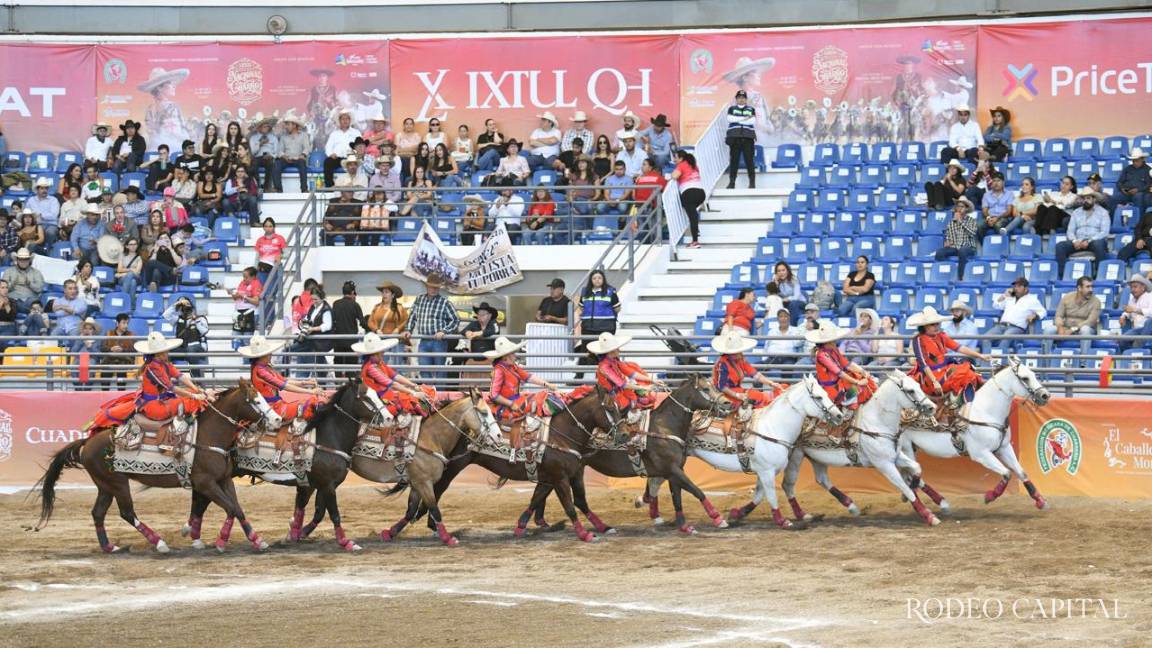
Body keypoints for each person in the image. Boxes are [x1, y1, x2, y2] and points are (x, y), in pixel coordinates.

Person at [906, 306, 989, 405]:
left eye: (938, 324)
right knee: (966, 373)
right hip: (930, 376)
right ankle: (963, 406)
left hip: (945, 370)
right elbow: (923, 363)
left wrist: (980, 356)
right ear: (925, 326)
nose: (936, 327)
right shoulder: (919, 340)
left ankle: (966, 405)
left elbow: (959, 347)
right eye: (933, 324)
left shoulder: (941, 336)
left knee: (970, 374)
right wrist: (934, 381)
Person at [589, 331, 662, 434]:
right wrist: (644, 387)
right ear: (610, 351)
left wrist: (652, 380)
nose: (619, 349)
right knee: (634, 402)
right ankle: (625, 431)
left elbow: (632, 374)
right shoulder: (604, 367)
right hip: (611, 396)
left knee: (645, 399)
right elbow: (623, 384)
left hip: (621, 392)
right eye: (616, 348)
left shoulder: (614, 361)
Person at [355, 332, 435, 426]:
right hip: (379, 399)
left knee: (416, 396)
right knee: (411, 401)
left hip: (385, 395)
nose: (383, 353)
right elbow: (392, 383)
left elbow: (395, 376)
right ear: (373, 354)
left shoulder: (377, 363)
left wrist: (414, 386)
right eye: (381, 352)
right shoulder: (371, 368)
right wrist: (414, 392)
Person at [241, 335, 325, 422]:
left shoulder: (264, 368)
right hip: (271, 409)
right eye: (269, 353)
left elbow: (284, 381)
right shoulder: (260, 371)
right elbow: (284, 385)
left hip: (276, 404)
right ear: (264, 355)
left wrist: (304, 382)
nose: (271, 355)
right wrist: (311, 391)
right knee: (309, 404)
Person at [485, 336, 563, 426]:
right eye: (513, 354)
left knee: (542, 398)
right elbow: (494, 395)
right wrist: (510, 404)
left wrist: (547, 384)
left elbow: (528, 377)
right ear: (505, 357)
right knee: (536, 402)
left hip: (516, 400)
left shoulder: (513, 367)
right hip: (505, 406)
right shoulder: (499, 371)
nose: (515, 356)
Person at [401, 279, 459, 383]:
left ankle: (440, 397)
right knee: (423, 369)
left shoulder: (444, 302)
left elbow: (455, 320)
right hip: (424, 340)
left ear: (439, 288)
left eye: (436, 287)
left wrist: (444, 331)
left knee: (440, 371)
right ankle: (429, 395)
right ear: (426, 287)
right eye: (431, 287)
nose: (433, 289)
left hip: (439, 341)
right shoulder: (419, 299)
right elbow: (412, 316)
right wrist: (408, 329)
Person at [808, 321, 875, 411]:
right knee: (857, 387)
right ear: (828, 341)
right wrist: (857, 382)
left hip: (838, 383)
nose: (836, 341)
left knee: (864, 379)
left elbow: (847, 364)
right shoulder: (821, 355)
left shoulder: (833, 349)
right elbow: (839, 373)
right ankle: (848, 409)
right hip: (829, 389)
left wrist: (862, 371)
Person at [711, 330, 783, 408]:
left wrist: (771, 383)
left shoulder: (740, 359)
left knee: (760, 394)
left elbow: (755, 374)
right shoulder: (723, 363)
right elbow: (722, 387)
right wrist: (737, 395)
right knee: (757, 396)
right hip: (725, 394)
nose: (741, 352)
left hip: (737, 390)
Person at [573, 269, 620, 375]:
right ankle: (578, 377)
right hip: (588, 327)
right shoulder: (585, 292)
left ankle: (617, 375)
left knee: (610, 352)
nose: (597, 280)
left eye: (599, 278)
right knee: (585, 351)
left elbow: (617, 308)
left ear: (603, 279)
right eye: (594, 278)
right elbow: (581, 307)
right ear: (591, 280)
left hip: (606, 327)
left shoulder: (610, 291)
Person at [1055, 188, 1110, 277]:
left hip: (1094, 241)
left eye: (1088, 198)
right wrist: (1074, 241)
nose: (1085, 201)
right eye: (1084, 198)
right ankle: (1063, 274)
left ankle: (1099, 274)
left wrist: (1089, 241)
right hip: (1078, 241)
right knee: (1060, 246)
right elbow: (1070, 231)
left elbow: (1104, 232)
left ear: (1094, 199)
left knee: (1099, 244)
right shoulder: (1076, 212)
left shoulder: (1103, 213)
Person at [985, 277, 1047, 353]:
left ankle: (999, 363)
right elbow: (996, 305)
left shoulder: (1032, 300)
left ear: (1026, 288)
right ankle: (986, 361)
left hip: (1016, 328)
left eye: (1019, 286)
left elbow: (1043, 312)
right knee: (985, 338)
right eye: (1015, 286)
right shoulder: (1010, 298)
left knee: (1005, 339)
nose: (1016, 288)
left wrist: (1035, 315)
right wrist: (1004, 296)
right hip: (1002, 325)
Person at [1044, 276, 1100, 355]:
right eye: (1088, 287)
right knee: (1049, 330)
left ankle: (1083, 364)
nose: (1091, 290)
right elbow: (1058, 315)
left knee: (1085, 330)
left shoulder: (1096, 301)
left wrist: (1072, 330)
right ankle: (1047, 362)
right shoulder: (1067, 297)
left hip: (1083, 330)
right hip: (1065, 328)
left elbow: (1090, 321)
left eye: (1092, 287)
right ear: (1079, 288)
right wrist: (1060, 327)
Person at [291, 283, 333, 379]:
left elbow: (327, 325)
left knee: (318, 366)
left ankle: (321, 383)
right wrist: (302, 322)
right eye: (312, 299)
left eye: (316, 299)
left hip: (319, 342)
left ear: (322, 298)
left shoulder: (326, 309)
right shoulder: (313, 307)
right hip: (312, 342)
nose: (314, 302)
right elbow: (307, 318)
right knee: (318, 364)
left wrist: (312, 329)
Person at [163, 295, 209, 378]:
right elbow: (166, 315)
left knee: (191, 351)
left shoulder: (200, 318)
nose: (185, 309)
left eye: (187, 306)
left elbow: (204, 331)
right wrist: (177, 304)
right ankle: (166, 379)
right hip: (182, 347)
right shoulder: (177, 319)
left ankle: (197, 381)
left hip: (196, 347)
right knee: (166, 353)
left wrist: (195, 321)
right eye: (183, 307)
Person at [935, 199, 979, 278]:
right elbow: (949, 236)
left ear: (966, 209)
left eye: (962, 206)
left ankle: (961, 277)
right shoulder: (951, 222)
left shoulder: (972, 221)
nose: (959, 208)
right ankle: (948, 273)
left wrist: (960, 221)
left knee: (962, 251)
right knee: (939, 253)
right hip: (955, 247)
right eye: (958, 206)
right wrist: (947, 242)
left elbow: (972, 233)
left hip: (968, 247)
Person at [331, 280, 367, 370]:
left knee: (338, 364)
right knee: (351, 366)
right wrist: (373, 330)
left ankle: (338, 383)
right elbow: (362, 322)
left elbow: (332, 320)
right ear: (352, 292)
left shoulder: (336, 304)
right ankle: (350, 383)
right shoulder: (355, 305)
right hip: (351, 341)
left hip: (338, 341)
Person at [725, 90, 756, 190]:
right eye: (739, 97)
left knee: (749, 161)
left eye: (743, 97)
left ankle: (752, 183)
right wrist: (744, 118)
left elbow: (752, 120)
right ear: (736, 99)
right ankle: (732, 182)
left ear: (746, 99)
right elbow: (730, 119)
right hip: (734, 139)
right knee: (734, 161)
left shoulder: (751, 109)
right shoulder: (732, 109)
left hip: (748, 138)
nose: (741, 99)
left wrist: (737, 118)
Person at [323, 110, 362, 188]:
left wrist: (355, 153)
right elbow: (328, 147)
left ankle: (356, 185)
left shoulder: (356, 132)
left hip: (352, 157)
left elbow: (360, 146)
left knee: (358, 162)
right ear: (339, 121)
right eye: (343, 119)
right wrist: (331, 154)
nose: (345, 121)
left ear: (350, 120)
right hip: (337, 158)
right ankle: (330, 186)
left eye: (347, 119)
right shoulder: (334, 134)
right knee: (327, 162)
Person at [2, 248, 44, 314]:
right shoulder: (9, 271)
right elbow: (2, 289)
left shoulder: (36, 272)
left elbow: (39, 289)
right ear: (17, 260)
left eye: (26, 259)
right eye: (21, 259)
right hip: (13, 300)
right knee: (6, 302)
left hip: (30, 301)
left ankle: (33, 315)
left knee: (35, 304)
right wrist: (13, 283)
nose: (23, 261)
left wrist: (29, 283)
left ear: (29, 260)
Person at [595, 160, 633, 229]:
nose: (618, 171)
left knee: (623, 208)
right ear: (614, 169)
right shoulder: (609, 179)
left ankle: (621, 223)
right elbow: (606, 193)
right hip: (609, 199)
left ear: (625, 169)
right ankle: (604, 226)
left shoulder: (629, 179)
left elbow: (626, 194)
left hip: (621, 200)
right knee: (599, 207)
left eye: (621, 169)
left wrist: (617, 201)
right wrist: (609, 201)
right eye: (617, 169)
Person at [1119, 274, 1152, 351]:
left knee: (1149, 322)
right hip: (1137, 330)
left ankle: (1136, 348)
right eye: (1131, 287)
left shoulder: (1150, 296)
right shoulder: (1132, 299)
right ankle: (1129, 355)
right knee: (1122, 340)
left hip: (1148, 328)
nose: (1132, 290)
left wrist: (1135, 310)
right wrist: (1123, 316)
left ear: (1143, 287)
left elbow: (1151, 312)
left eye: (1135, 287)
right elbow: (1128, 311)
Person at [102, 313, 135, 388]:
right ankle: (104, 393)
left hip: (124, 360)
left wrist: (123, 350)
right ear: (117, 323)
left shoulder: (131, 335)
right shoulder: (108, 333)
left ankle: (121, 393)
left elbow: (134, 350)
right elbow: (102, 348)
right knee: (105, 372)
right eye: (123, 323)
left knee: (121, 371)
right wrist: (111, 349)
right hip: (110, 360)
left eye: (127, 323)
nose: (126, 325)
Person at [1117, 148, 1152, 218]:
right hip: (1126, 193)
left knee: (1138, 196)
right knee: (1114, 198)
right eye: (1133, 161)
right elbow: (1119, 182)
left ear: (1142, 159)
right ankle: (1113, 221)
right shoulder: (1127, 169)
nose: (1134, 163)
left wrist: (1137, 190)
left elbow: (1148, 185)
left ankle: (1138, 221)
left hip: (1140, 193)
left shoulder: (1148, 170)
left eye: (1137, 160)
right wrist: (1122, 189)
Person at [26, 177, 60, 246]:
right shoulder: (31, 200)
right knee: (29, 232)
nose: (44, 190)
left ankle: (50, 250)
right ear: (37, 189)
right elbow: (26, 214)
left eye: (46, 188)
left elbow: (54, 215)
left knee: (50, 232)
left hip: (50, 225)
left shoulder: (53, 200)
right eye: (42, 188)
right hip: (35, 225)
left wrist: (40, 215)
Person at [979, 172, 1012, 238]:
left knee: (998, 225)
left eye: (998, 181)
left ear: (1003, 182)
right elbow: (985, 210)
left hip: (1003, 218)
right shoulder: (986, 195)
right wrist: (988, 218)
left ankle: (1001, 246)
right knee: (979, 225)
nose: (996, 183)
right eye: (994, 181)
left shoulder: (1009, 194)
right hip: (989, 217)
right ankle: (984, 246)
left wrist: (997, 218)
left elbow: (1009, 211)